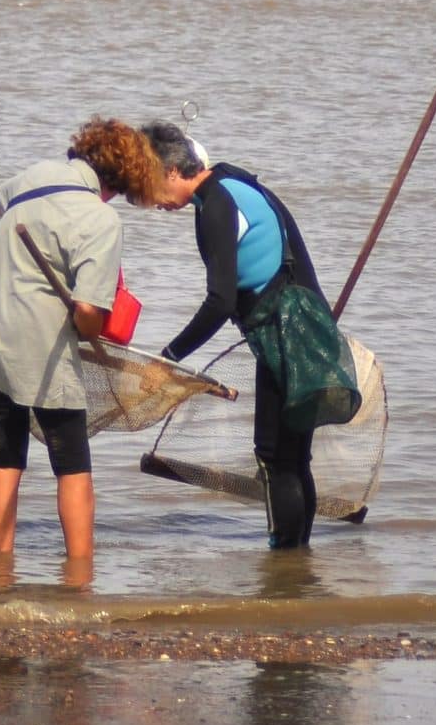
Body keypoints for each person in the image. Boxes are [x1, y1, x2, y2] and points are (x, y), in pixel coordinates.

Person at [76, 117, 328, 551]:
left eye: (151, 190)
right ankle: (296, 572)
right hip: (305, 327)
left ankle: (286, 559)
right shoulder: (232, 181)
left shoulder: (215, 206)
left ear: (173, 172)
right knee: (292, 457)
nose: (154, 204)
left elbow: (221, 301)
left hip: (286, 336)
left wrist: (170, 355)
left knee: (275, 459)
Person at [0, 153, 122, 565]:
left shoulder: (31, 177)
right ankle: (80, 576)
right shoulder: (100, 218)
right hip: (40, 342)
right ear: (116, 184)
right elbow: (88, 315)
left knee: (5, 454)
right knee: (72, 463)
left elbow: (4, 202)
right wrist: (89, 329)